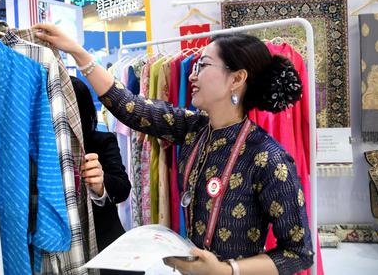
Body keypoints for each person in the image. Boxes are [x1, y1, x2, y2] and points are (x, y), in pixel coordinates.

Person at [36, 23, 314, 275]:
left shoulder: (269, 158)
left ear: (237, 78)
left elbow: (299, 252)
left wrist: (227, 271)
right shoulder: (194, 129)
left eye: (203, 66)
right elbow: (130, 107)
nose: (192, 76)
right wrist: (77, 52)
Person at [71, 76, 134, 275]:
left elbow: (123, 188)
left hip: (105, 244)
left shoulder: (101, 141)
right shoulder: (38, 149)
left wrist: (100, 185)